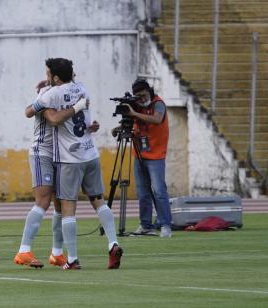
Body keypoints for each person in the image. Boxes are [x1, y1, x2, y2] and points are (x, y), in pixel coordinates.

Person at [36, 58, 123, 269]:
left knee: (68, 208)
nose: (46, 77)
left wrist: (40, 94)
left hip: (69, 158)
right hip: (90, 153)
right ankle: (113, 243)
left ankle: (72, 259)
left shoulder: (52, 93)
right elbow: (83, 116)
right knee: (98, 200)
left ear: (55, 77)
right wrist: (88, 123)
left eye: (48, 74)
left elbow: (41, 114)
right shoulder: (83, 88)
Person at [13, 80, 66, 269]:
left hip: (62, 154)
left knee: (61, 204)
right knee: (43, 201)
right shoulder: (47, 92)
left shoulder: (72, 93)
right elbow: (29, 111)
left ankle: (57, 254)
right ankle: (23, 251)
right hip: (42, 152)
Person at [119, 79, 172, 238]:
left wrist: (134, 113)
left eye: (143, 95)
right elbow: (134, 122)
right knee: (143, 192)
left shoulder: (158, 103)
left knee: (159, 191)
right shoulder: (137, 105)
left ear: (149, 91)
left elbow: (156, 119)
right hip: (140, 153)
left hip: (156, 155)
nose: (141, 99)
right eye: (138, 96)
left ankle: (165, 225)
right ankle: (145, 225)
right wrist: (120, 128)